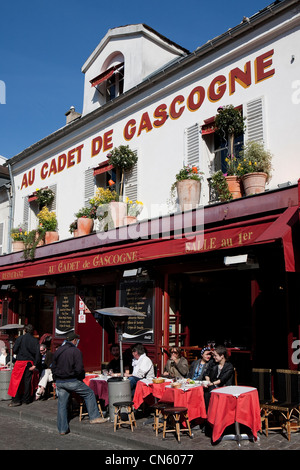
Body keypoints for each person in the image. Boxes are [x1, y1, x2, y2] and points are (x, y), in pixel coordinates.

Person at [51, 331, 108, 435]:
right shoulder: (75, 351)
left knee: (62, 404)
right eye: (77, 340)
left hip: (60, 381)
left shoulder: (58, 351)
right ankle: (94, 416)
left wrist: (56, 379)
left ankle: (62, 429)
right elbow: (79, 369)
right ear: (74, 340)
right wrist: (80, 378)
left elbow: (53, 366)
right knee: (89, 393)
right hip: (71, 380)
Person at [8, 324, 40, 406]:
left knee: (16, 381)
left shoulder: (20, 338)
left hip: (20, 361)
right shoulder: (35, 340)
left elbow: (14, 350)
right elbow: (37, 354)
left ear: (25, 330)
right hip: (29, 362)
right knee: (27, 381)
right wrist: (35, 365)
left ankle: (16, 400)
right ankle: (26, 399)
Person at [203, 345, 234, 410]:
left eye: (215, 355)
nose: (214, 357)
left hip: (224, 387)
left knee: (211, 391)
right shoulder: (213, 363)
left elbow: (222, 380)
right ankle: (207, 414)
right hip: (213, 385)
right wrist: (208, 381)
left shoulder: (229, 366)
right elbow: (206, 373)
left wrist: (211, 384)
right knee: (206, 391)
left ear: (222, 356)